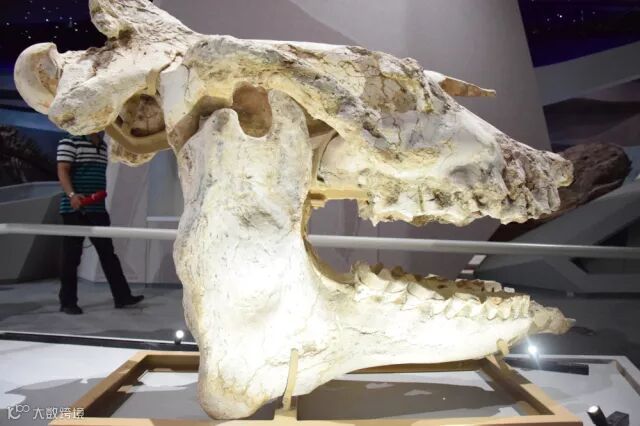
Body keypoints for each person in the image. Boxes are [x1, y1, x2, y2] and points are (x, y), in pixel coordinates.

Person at [56, 132, 143, 315]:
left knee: (108, 254)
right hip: (74, 211)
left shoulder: (103, 147)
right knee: (71, 257)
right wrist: (72, 195)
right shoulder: (70, 141)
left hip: (97, 209)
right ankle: (67, 302)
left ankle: (122, 297)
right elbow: (62, 169)